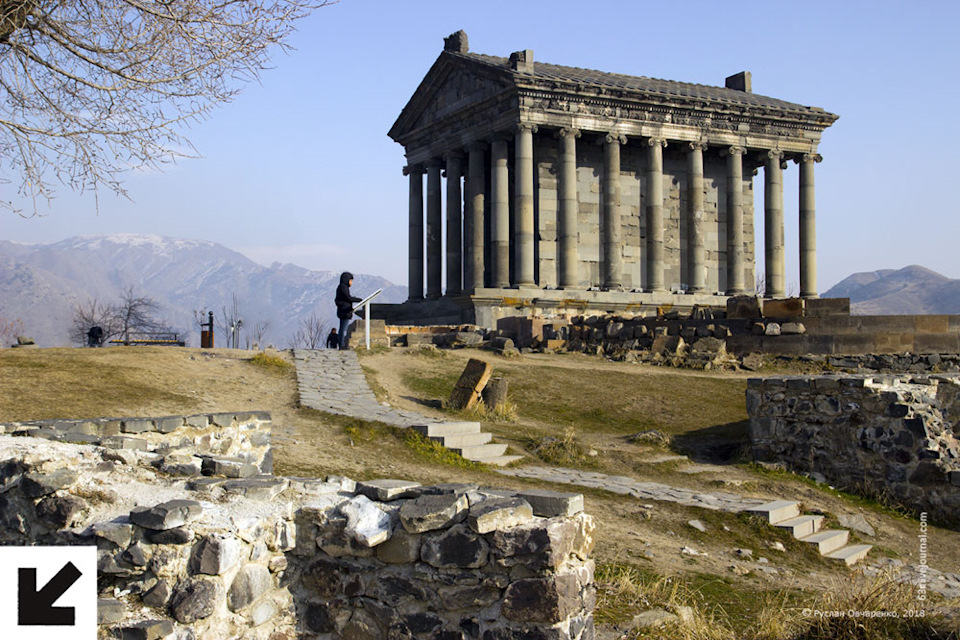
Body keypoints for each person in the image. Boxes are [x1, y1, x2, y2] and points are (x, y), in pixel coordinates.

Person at [334, 271, 362, 350]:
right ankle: (342, 345)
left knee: (342, 328)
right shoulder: (343, 287)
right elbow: (348, 298)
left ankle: (341, 344)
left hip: (344, 311)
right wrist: (358, 300)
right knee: (343, 329)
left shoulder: (342, 287)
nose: (351, 282)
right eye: (351, 280)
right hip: (344, 311)